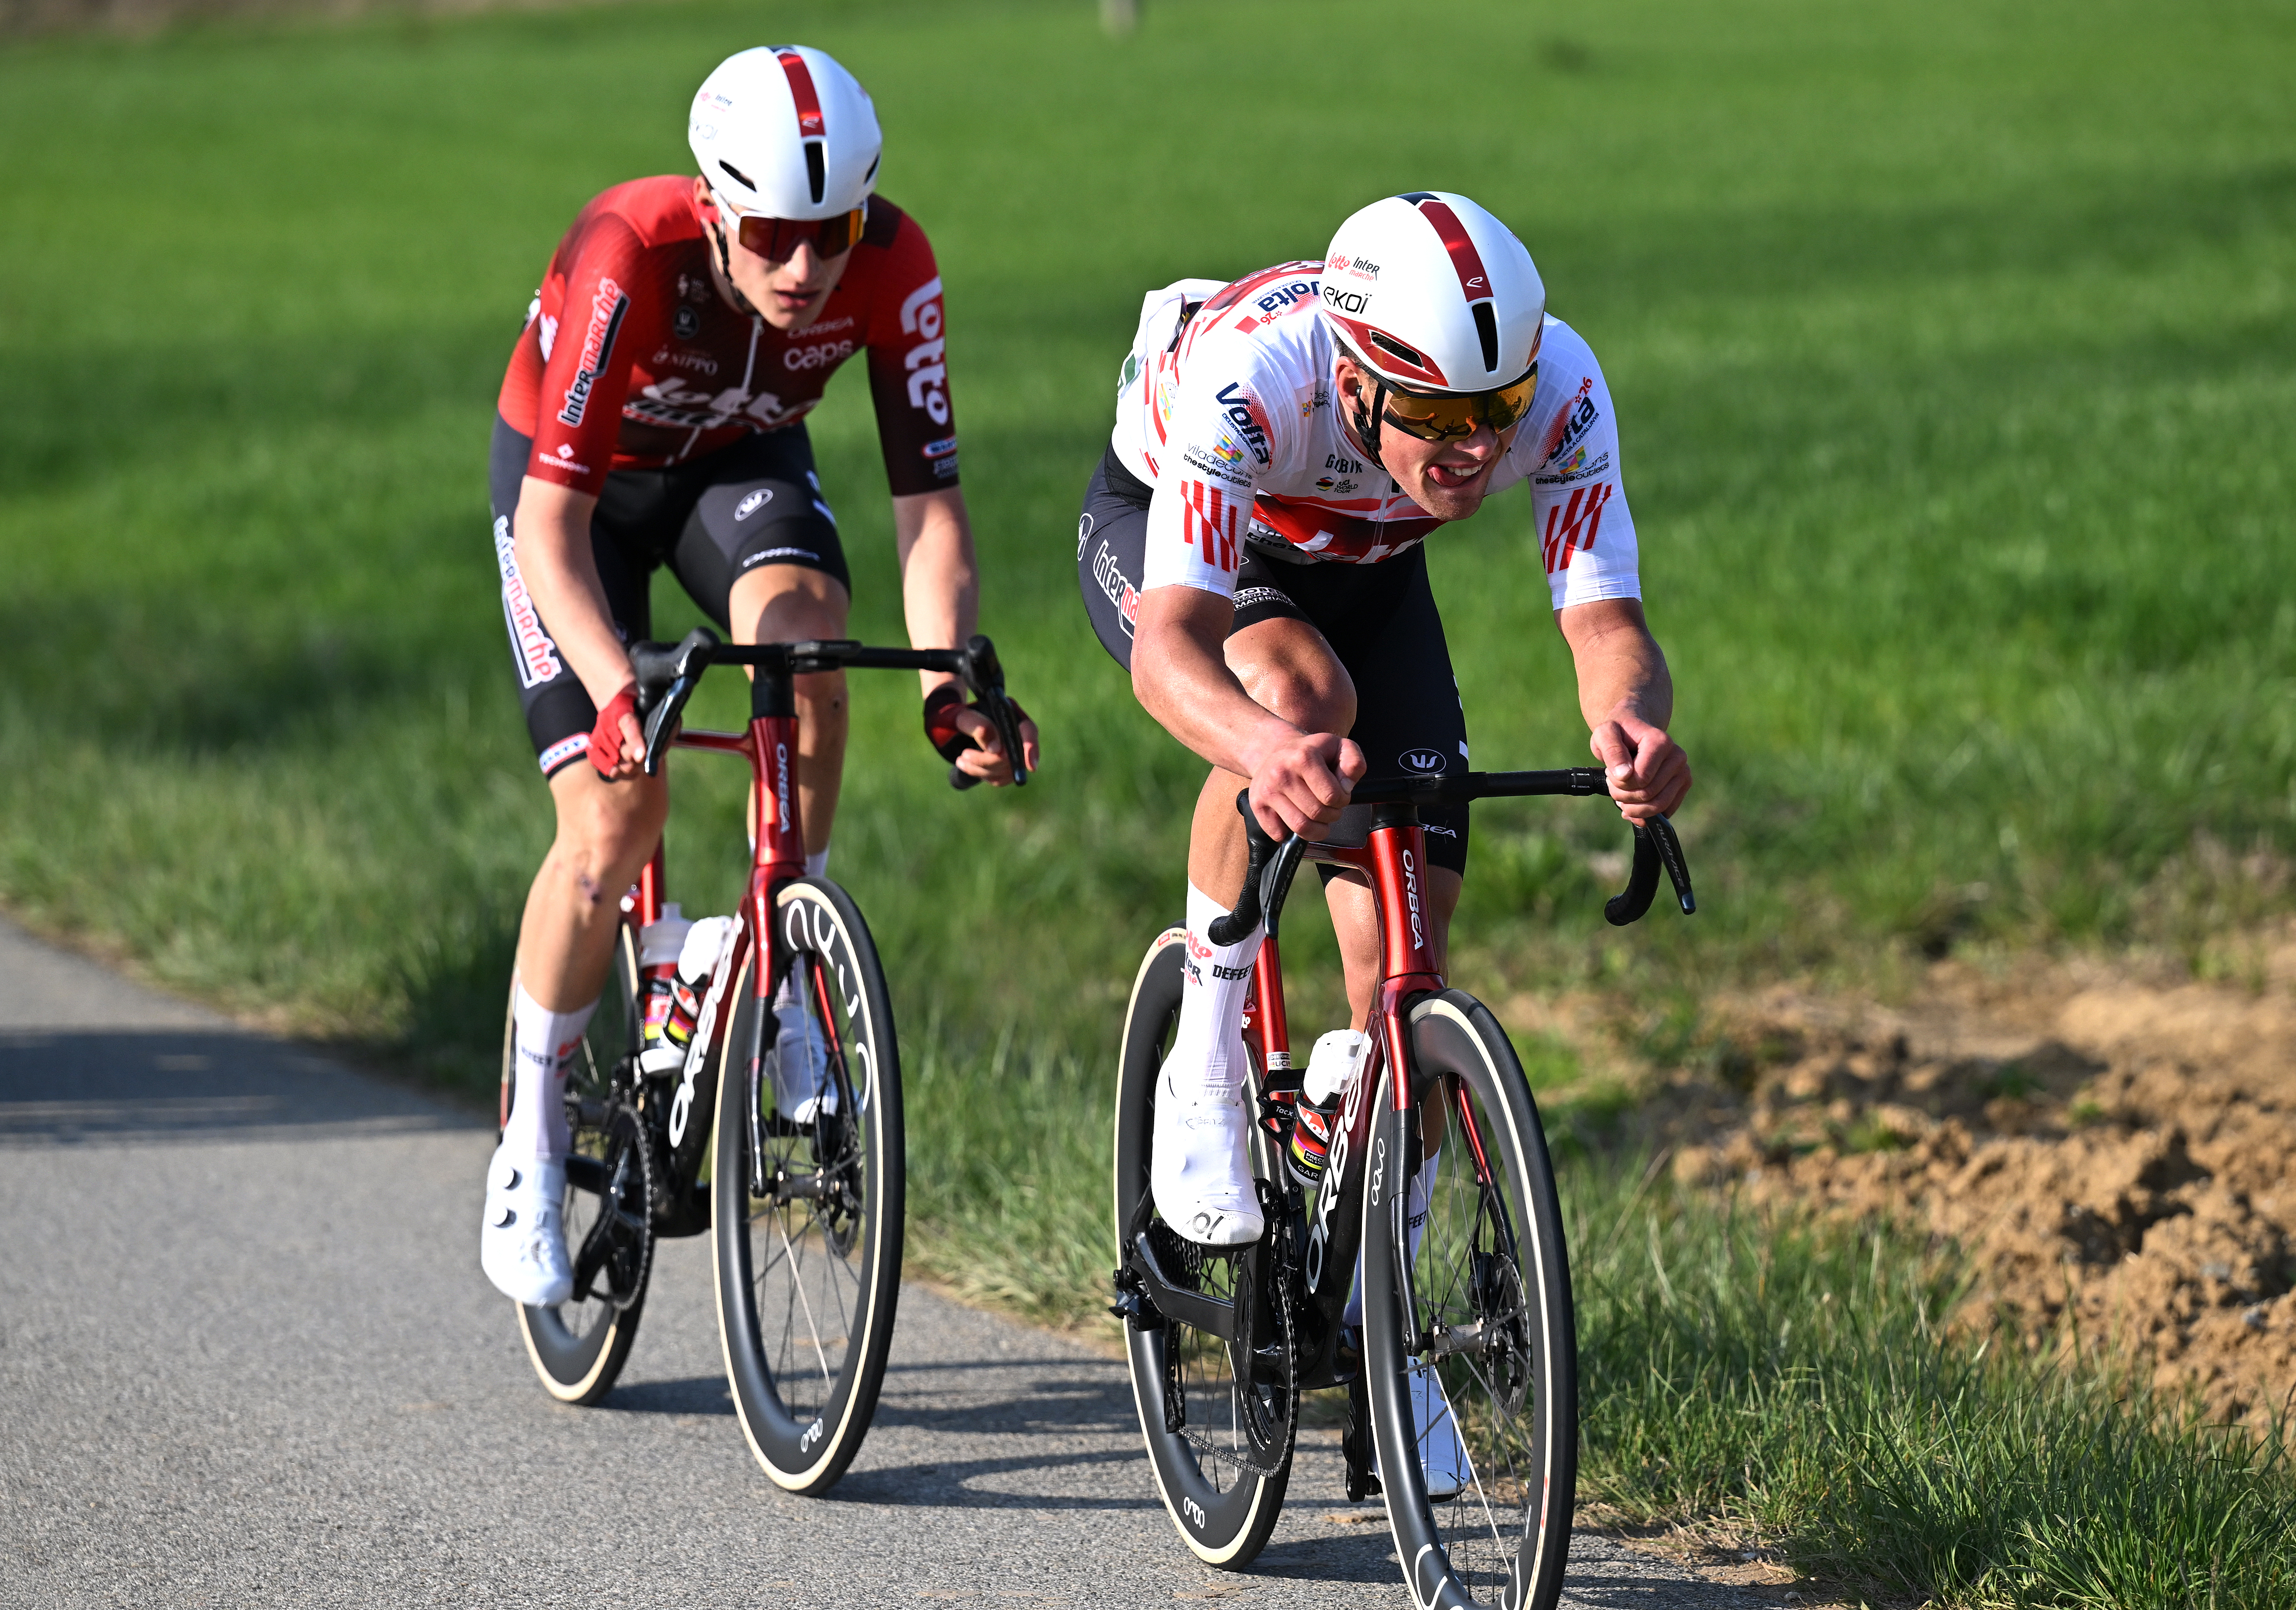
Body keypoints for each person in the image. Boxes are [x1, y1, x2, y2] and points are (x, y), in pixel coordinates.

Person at [482, 44, 1035, 1307]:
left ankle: (788, 963)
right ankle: (533, 1125)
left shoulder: (895, 267)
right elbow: (553, 531)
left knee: (810, 643)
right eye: (774, 237)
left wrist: (949, 685)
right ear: (716, 209)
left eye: (831, 231)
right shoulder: (631, 250)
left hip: (734, 466)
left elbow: (930, 511)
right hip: (574, 501)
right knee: (617, 812)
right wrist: (619, 687)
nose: (806, 270)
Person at [1078, 189, 1689, 1240]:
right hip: (1190, 545)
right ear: (1354, 382)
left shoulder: (1561, 386)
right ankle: (1206, 1065)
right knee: (1303, 699)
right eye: (1444, 419)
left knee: (1411, 948)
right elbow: (1172, 648)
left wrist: (1631, 724)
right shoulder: (1253, 376)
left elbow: (1605, 625)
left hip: (1368, 564)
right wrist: (1267, 749)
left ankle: (1382, 1344)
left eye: (1501, 410)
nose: (1480, 449)